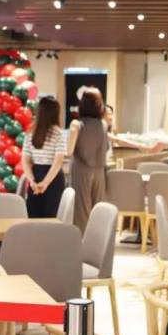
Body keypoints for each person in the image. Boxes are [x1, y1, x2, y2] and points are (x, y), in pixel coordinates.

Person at [67, 90, 108, 231]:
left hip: (81, 170)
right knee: (98, 209)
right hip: (99, 171)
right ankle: (98, 240)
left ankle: (81, 241)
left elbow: (68, 151)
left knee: (81, 211)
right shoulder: (103, 125)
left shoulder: (76, 124)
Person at [22, 96, 67, 219]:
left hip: (36, 175)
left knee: (33, 216)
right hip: (54, 178)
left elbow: (25, 161)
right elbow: (58, 161)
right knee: (52, 217)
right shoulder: (58, 133)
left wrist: (32, 181)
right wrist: (45, 183)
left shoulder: (31, 132)